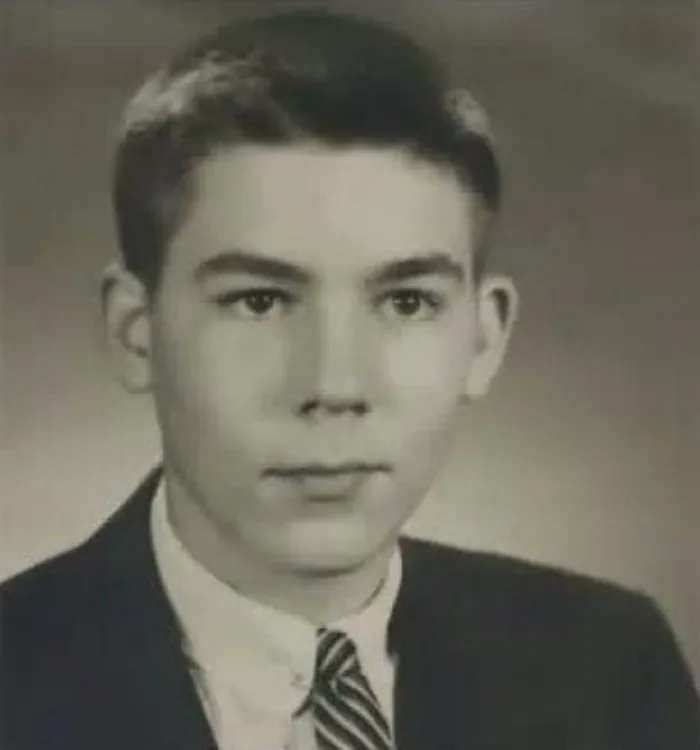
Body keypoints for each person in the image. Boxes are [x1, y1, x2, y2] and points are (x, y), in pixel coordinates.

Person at [1, 9, 698, 750]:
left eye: (407, 302)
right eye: (259, 301)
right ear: (134, 332)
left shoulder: (611, 675)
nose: (334, 387)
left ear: (484, 338)